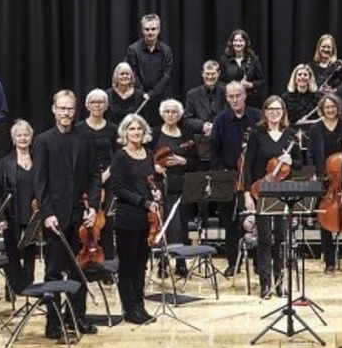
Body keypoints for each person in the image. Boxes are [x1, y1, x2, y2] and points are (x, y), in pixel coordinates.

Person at [33, 90, 101, 339]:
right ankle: (53, 323)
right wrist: (47, 213)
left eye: (70, 109)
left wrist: (93, 206)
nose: (66, 113)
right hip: (55, 217)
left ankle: (77, 317)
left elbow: (94, 175)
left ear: (75, 111)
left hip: (80, 215)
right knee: (53, 270)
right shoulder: (43, 141)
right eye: (61, 108)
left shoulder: (85, 138)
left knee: (79, 268)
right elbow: (39, 182)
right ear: (53, 109)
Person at [242, 95, 302, 298]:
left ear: (283, 111)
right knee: (265, 239)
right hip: (262, 191)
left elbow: (302, 164)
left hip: (284, 193)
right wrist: (247, 194)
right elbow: (247, 166)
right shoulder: (257, 134)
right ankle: (265, 283)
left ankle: (280, 282)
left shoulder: (290, 135)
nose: (275, 112)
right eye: (271, 109)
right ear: (265, 112)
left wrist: (291, 160)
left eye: (278, 109)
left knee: (281, 239)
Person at [109, 113, 160, 325]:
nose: (136, 132)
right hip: (127, 217)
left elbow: (149, 182)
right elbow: (117, 187)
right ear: (125, 132)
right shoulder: (120, 156)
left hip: (146, 218)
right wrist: (143, 202)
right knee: (128, 265)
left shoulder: (148, 154)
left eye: (139, 129)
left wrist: (156, 192)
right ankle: (129, 309)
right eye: (132, 129)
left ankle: (139, 305)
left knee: (141, 264)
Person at [208, 81, 261, 275]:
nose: (235, 99)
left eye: (238, 95)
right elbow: (214, 150)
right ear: (227, 98)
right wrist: (223, 172)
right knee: (230, 222)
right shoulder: (221, 120)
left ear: (245, 95)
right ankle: (233, 262)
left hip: (254, 177)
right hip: (229, 177)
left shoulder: (257, 116)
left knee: (256, 221)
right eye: (231, 96)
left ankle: (258, 262)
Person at [153, 98, 199, 273]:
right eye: (167, 112)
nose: (170, 115)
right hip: (160, 185)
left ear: (179, 115)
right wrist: (155, 166)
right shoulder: (155, 133)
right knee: (161, 224)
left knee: (182, 224)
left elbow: (196, 163)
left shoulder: (187, 136)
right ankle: (162, 262)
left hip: (182, 185)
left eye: (174, 112)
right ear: (162, 114)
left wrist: (183, 160)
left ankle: (181, 262)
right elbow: (145, 156)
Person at [0, 119, 38, 292]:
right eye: (18, 135)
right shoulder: (5, 163)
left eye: (25, 135)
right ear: (13, 139)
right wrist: (1, 218)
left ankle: (28, 286)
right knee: (12, 252)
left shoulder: (38, 159)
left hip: (33, 212)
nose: (22, 138)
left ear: (31, 138)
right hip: (12, 213)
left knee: (30, 252)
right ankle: (13, 286)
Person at [76, 89, 119, 259]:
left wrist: (107, 174)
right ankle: (85, 260)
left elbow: (118, 155)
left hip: (108, 180)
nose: (97, 105)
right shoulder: (78, 128)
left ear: (106, 106)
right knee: (85, 220)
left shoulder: (113, 129)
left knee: (106, 222)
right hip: (85, 180)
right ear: (87, 105)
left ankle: (106, 262)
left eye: (101, 102)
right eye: (93, 102)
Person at [308, 93, 342, 273]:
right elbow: (310, 153)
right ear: (322, 109)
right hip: (324, 177)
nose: (330, 110)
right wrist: (314, 173)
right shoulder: (315, 128)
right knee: (324, 219)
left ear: (337, 108)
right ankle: (329, 261)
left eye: (333, 107)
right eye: (327, 107)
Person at [125, 13, 174, 128]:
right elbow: (132, 74)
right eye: (147, 29)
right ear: (142, 30)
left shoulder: (166, 50)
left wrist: (152, 94)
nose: (150, 32)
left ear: (159, 30)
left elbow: (166, 76)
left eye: (153, 29)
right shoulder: (133, 49)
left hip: (160, 97)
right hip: (139, 98)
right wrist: (143, 93)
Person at [183, 60, 227, 148]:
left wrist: (216, 127)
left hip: (225, 140)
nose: (210, 77)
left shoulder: (227, 92)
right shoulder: (192, 94)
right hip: (201, 142)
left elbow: (232, 115)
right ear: (202, 74)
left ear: (218, 73)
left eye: (213, 73)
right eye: (207, 73)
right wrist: (203, 125)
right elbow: (187, 120)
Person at [282, 63, 320, 165]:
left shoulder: (317, 97)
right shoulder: (286, 97)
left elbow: (321, 118)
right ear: (294, 78)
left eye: (305, 75)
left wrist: (307, 122)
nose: (302, 77)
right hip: (292, 137)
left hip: (311, 136)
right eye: (299, 75)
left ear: (310, 78)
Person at [218, 29, 265, 108]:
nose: (238, 43)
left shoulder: (254, 59)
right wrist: (233, 87)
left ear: (246, 43)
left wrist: (250, 85)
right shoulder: (224, 60)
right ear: (231, 43)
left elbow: (261, 81)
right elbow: (219, 82)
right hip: (230, 101)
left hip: (250, 101)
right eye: (235, 41)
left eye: (241, 41)